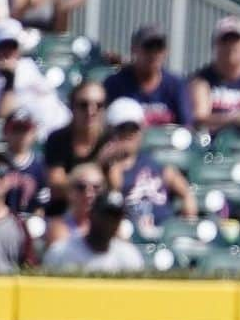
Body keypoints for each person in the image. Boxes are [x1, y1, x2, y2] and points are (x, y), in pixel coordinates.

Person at [100, 97, 196, 235]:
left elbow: (186, 192)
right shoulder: (107, 168)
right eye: (122, 129)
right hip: (129, 234)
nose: (129, 134)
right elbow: (112, 196)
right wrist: (110, 163)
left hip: (164, 231)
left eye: (133, 128)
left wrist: (186, 226)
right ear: (111, 131)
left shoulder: (155, 162)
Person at [0, 17, 70, 140]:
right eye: (1, 46)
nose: (7, 51)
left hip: (61, 130)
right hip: (26, 141)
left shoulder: (29, 67)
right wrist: (9, 81)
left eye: (12, 45)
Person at [103, 24, 191, 127]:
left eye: (159, 47)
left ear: (165, 52)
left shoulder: (175, 85)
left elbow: (187, 125)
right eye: (148, 47)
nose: (153, 54)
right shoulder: (114, 84)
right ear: (133, 49)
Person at [42, 189, 144, 274]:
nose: (109, 222)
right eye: (105, 215)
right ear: (91, 214)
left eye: (115, 217)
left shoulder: (129, 256)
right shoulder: (60, 252)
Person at [43, 79, 107, 200]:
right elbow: (57, 186)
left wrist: (75, 184)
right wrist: (99, 164)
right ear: (72, 107)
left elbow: (116, 186)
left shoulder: (109, 140)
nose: (91, 111)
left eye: (98, 105)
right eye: (83, 105)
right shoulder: (58, 139)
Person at [45, 160, 104, 247]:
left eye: (96, 187)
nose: (89, 194)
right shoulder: (58, 228)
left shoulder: (108, 228)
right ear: (70, 192)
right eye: (81, 187)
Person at [2, 107, 48, 216]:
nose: (21, 136)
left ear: (33, 133)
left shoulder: (40, 165)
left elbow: (41, 204)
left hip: (29, 220)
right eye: (16, 130)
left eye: (25, 130)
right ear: (5, 132)